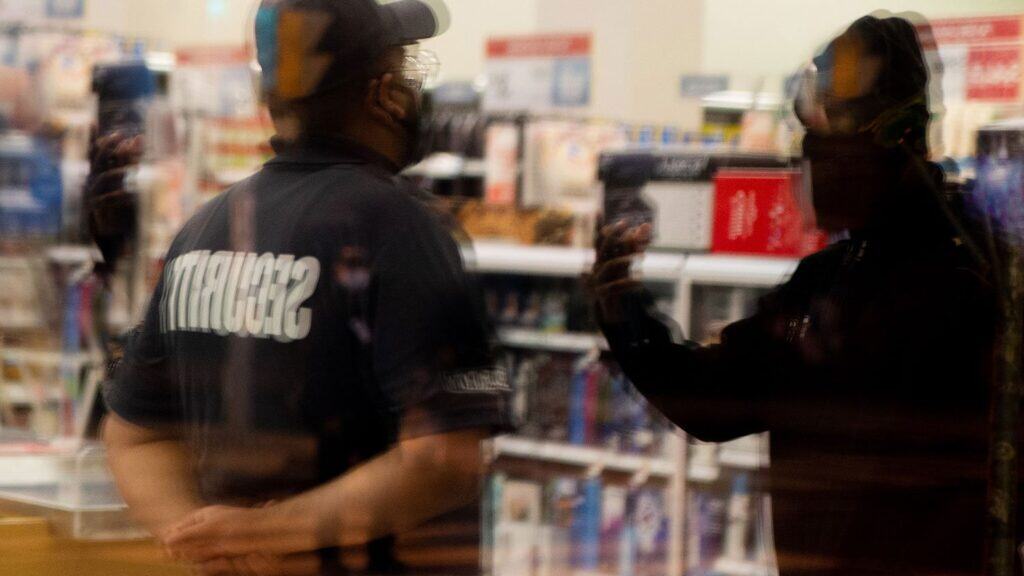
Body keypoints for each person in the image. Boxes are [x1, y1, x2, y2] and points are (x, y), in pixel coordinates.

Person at [100, 1, 512, 574]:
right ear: (383, 94)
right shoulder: (399, 227)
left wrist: (209, 543)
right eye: (408, 70)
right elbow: (443, 459)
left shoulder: (204, 228)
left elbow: (134, 437)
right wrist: (255, 534)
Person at [592, 14, 999, 576]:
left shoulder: (949, 280)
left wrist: (622, 309)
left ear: (891, 141)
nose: (808, 167)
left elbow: (711, 399)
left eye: (826, 145)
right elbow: (712, 396)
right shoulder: (961, 262)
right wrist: (624, 310)